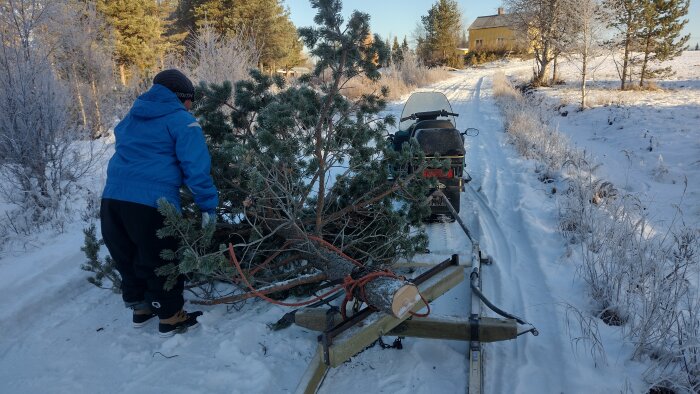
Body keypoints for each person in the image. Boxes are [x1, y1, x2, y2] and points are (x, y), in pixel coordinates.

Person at [100, 69, 218, 337]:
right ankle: (170, 316)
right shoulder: (182, 121)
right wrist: (207, 206)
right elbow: (196, 168)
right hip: (152, 202)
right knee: (162, 257)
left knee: (128, 255)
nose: (191, 106)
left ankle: (141, 308)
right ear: (181, 97)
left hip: (112, 200)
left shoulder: (131, 118)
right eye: (191, 101)